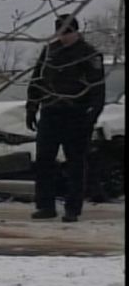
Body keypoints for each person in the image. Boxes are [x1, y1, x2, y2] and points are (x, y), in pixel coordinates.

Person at [25, 14, 105, 222]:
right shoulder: (50, 50)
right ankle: (45, 205)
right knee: (44, 161)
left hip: (76, 114)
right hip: (51, 112)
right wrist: (31, 108)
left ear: (77, 32)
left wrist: (92, 115)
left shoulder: (89, 54)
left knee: (75, 163)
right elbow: (37, 80)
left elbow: (97, 88)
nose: (64, 38)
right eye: (61, 33)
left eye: (68, 33)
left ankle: (73, 208)